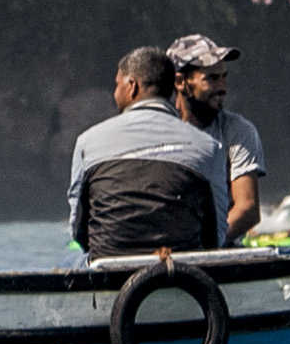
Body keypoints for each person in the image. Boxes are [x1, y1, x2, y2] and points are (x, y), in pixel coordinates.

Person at [66, 46, 231, 259]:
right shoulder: (208, 147)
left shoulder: (87, 142)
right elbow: (216, 235)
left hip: (108, 268)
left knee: (72, 259)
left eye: (117, 84)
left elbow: (78, 231)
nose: (115, 93)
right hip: (184, 273)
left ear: (132, 87)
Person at [166, 33, 266, 245]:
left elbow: (247, 208)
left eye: (224, 77)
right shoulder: (160, 129)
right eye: (212, 78)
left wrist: (204, 247)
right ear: (180, 82)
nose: (222, 87)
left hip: (220, 249)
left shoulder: (238, 131)